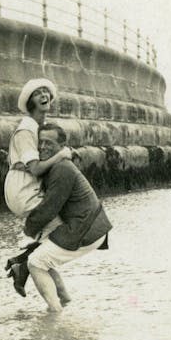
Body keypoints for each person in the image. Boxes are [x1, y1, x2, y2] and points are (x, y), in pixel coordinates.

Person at [24, 123, 112, 313]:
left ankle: (55, 316)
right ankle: (65, 301)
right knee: (43, 261)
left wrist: (27, 230)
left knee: (35, 262)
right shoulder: (58, 166)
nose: (43, 147)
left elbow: (49, 208)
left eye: (49, 143)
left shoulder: (62, 169)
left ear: (62, 146)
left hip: (86, 227)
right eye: (41, 142)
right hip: (90, 225)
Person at [4, 78, 72, 297]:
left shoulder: (39, 127)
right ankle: (22, 264)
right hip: (22, 188)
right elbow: (34, 168)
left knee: (46, 248)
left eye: (46, 92)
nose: (43, 95)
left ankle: (62, 299)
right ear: (30, 101)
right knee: (58, 231)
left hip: (27, 186)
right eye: (37, 93)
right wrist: (62, 155)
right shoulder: (26, 129)